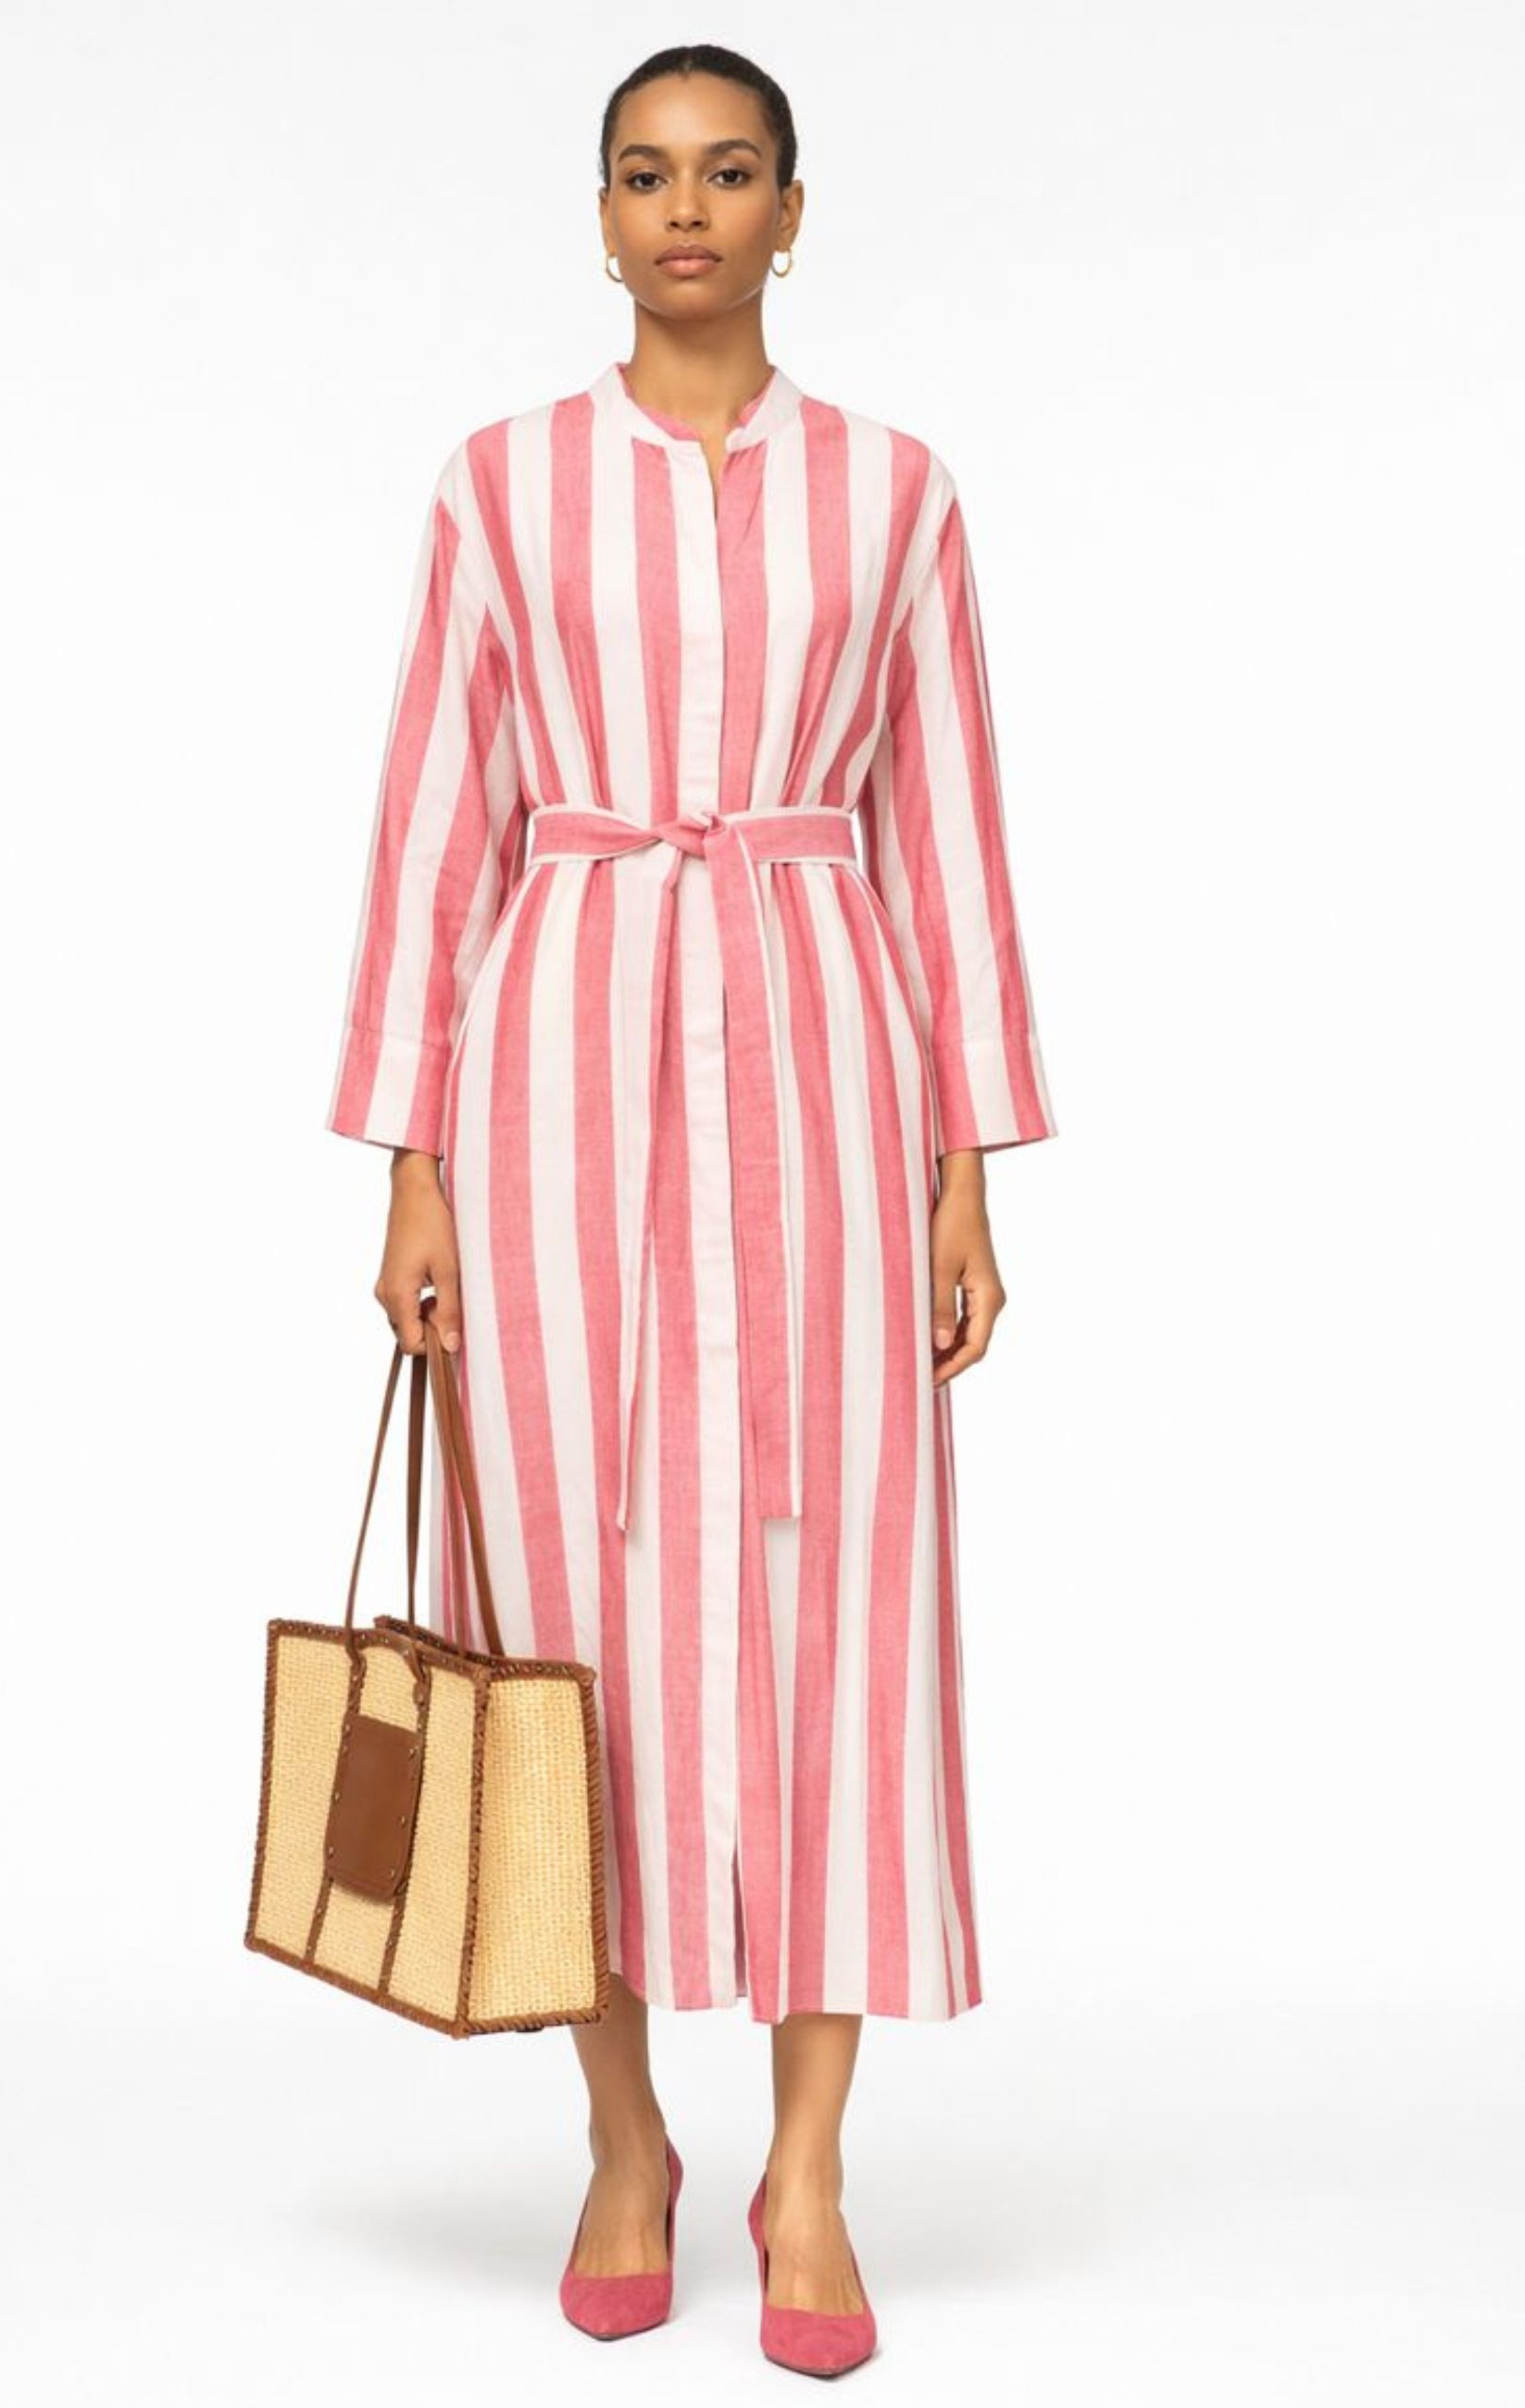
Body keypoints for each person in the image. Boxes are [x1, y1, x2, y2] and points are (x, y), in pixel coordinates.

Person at [323, 41, 1058, 2377]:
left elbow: (946, 826)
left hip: (830, 1069)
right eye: (647, 174)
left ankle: (810, 2169)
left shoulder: (900, 492)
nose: (687, 211)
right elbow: (437, 818)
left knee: (847, 1598)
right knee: (567, 1612)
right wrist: (415, 1159)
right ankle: (625, 2134)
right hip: (554, 1078)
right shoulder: (502, 485)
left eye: (731, 174)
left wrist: (966, 1161)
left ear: (793, 213)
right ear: (600, 210)